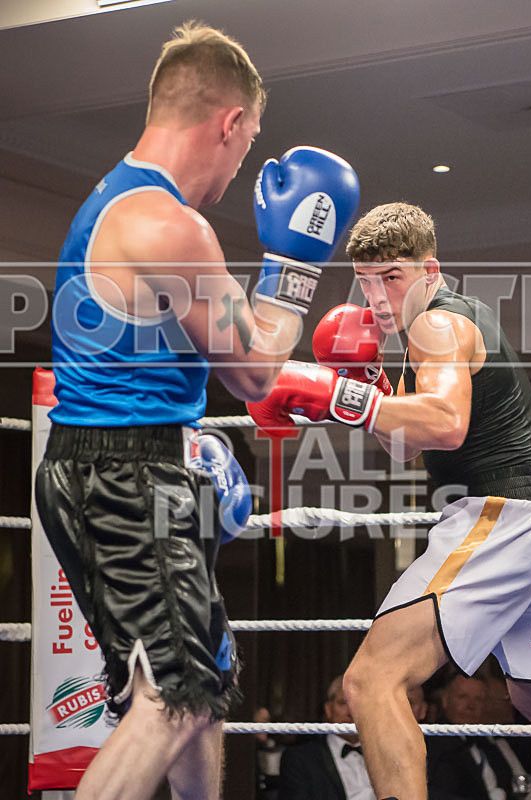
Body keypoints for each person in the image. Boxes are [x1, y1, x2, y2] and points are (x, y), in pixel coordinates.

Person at [34, 20, 359, 800]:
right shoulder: (168, 225)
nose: (241, 164)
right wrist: (295, 261)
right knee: (173, 702)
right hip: (123, 478)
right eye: (247, 145)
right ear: (230, 122)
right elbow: (253, 371)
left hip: (120, 462)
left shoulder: (118, 203)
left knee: (201, 682)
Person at [247, 202, 531, 800]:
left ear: (431, 268)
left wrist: (333, 393)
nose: (377, 297)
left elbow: (448, 422)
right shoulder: (441, 327)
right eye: (367, 282)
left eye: (391, 278)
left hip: (501, 520)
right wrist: (365, 387)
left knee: (372, 680)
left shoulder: (436, 326)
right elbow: (406, 448)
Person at [279, 675, 376, 800]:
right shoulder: (300, 759)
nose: (351, 711)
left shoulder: (387, 756)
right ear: (328, 709)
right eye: (343, 703)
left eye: (359, 704)